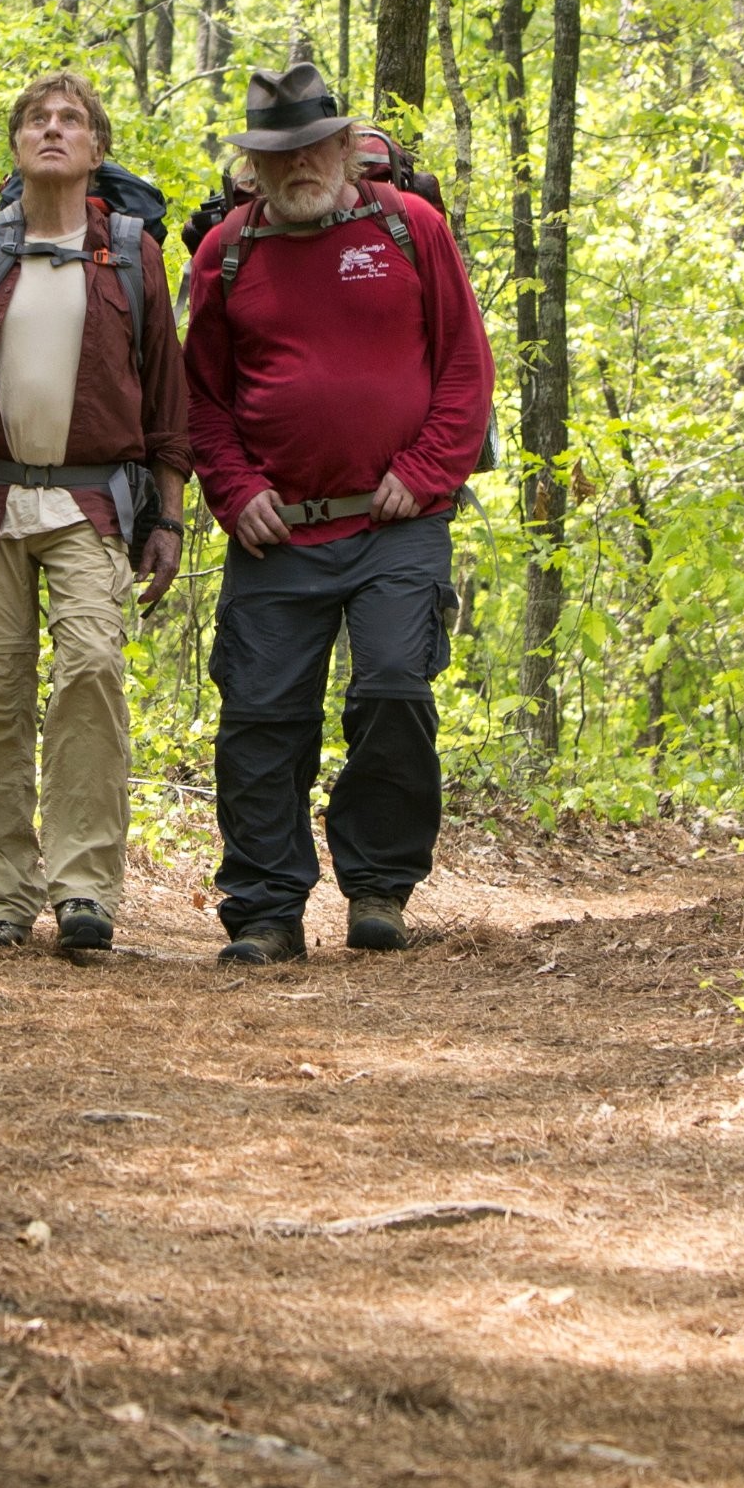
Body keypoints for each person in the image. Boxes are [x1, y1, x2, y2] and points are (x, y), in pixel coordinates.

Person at [183, 64, 497, 967]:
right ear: (253, 165)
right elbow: (202, 397)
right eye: (276, 155)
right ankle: (266, 909)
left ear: (343, 148)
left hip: (397, 520)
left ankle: (379, 888)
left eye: (312, 148)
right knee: (260, 714)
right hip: (278, 528)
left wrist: (428, 469)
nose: (298, 167)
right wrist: (235, 491)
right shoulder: (226, 253)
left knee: (395, 686)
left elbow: (465, 369)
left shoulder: (412, 229)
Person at [0, 71, 190, 957]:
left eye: (71, 121)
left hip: (93, 502)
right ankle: (1, 896)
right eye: (37, 120)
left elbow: (168, 396)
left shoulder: (132, 258)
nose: (52, 131)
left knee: (92, 667)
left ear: (96, 150)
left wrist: (167, 516)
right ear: (17, 146)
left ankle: (86, 889)